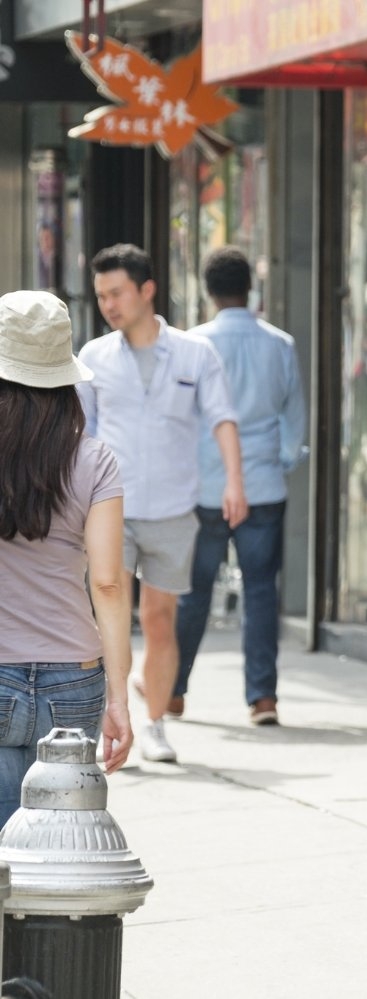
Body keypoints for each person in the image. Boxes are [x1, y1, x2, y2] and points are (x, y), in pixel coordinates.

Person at [79, 244, 246, 765]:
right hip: (111, 506)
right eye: (101, 294)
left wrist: (234, 482)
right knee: (107, 613)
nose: (108, 303)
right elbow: (79, 432)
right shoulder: (93, 357)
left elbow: (222, 417)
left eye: (117, 292)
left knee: (158, 617)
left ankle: (153, 724)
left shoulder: (195, 354)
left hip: (174, 506)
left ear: (146, 290)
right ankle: (110, 715)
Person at [0, 290, 131, 822]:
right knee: (59, 844)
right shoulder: (95, 460)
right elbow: (107, 584)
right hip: (74, 677)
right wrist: (120, 697)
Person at [173, 247, 307, 728]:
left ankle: (173, 690)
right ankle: (262, 699)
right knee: (260, 592)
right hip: (265, 486)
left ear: (208, 292)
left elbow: (181, 420)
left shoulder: (191, 345)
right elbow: (294, 420)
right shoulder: (281, 344)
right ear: (249, 288)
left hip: (207, 487)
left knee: (194, 592)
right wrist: (281, 460)